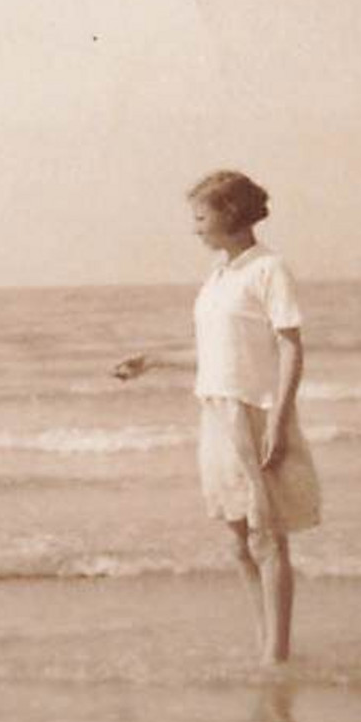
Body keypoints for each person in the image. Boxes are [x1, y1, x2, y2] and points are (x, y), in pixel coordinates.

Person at [114, 171, 321, 665]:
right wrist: (155, 361)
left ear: (229, 213)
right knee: (238, 542)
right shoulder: (219, 276)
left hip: (255, 411)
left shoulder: (269, 269)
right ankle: (263, 643)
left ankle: (278, 655)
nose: (195, 229)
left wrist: (277, 420)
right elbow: (219, 354)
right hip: (216, 411)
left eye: (200, 217)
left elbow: (291, 349)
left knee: (267, 537)